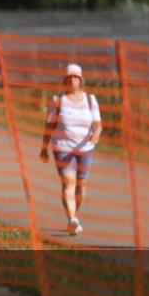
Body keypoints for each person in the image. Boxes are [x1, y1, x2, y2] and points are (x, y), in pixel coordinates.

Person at [39, 63, 103, 236]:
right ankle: (72, 220)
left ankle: (75, 215)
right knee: (68, 183)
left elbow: (97, 123)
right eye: (69, 77)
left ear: (80, 80)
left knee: (81, 186)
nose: (72, 80)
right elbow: (49, 126)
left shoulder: (90, 100)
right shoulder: (58, 100)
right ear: (64, 80)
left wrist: (96, 133)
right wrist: (44, 149)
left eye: (75, 77)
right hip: (63, 148)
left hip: (86, 148)